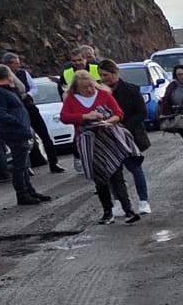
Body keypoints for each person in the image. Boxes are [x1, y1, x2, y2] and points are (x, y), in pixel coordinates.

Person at [58, 73, 141, 224]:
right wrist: (85, 116)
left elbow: (119, 114)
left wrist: (108, 121)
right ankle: (108, 212)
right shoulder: (71, 99)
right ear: (76, 88)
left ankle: (128, 210)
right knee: (100, 177)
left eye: (91, 86)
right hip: (88, 142)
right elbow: (64, 117)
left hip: (109, 139)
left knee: (116, 174)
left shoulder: (104, 94)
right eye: (85, 88)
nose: (90, 90)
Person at [0, 66, 52, 206]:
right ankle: (22, 194)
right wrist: (18, 122)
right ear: (8, 75)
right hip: (14, 131)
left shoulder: (7, 90)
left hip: (20, 130)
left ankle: (29, 190)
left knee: (25, 163)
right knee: (20, 165)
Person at [99, 59, 152, 214]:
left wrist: (124, 128)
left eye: (106, 75)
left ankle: (143, 201)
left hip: (129, 136)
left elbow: (142, 112)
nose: (103, 78)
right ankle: (119, 202)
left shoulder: (132, 89)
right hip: (108, 137)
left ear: (115, 73)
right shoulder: (99, 92)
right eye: (101, 75)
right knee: (112, 171)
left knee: (135, 168)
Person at [1, 51, 64, 173]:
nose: (18, 66)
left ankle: (54, 163)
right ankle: (26, 166)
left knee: (45, 135)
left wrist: (28, 94)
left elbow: (34, 88)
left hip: (29, 106)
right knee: (22, 139)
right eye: (16, 63)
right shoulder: (3, 77)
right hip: (16, 111)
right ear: (8, 65)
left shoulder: (23, 73)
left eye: (18, 63)